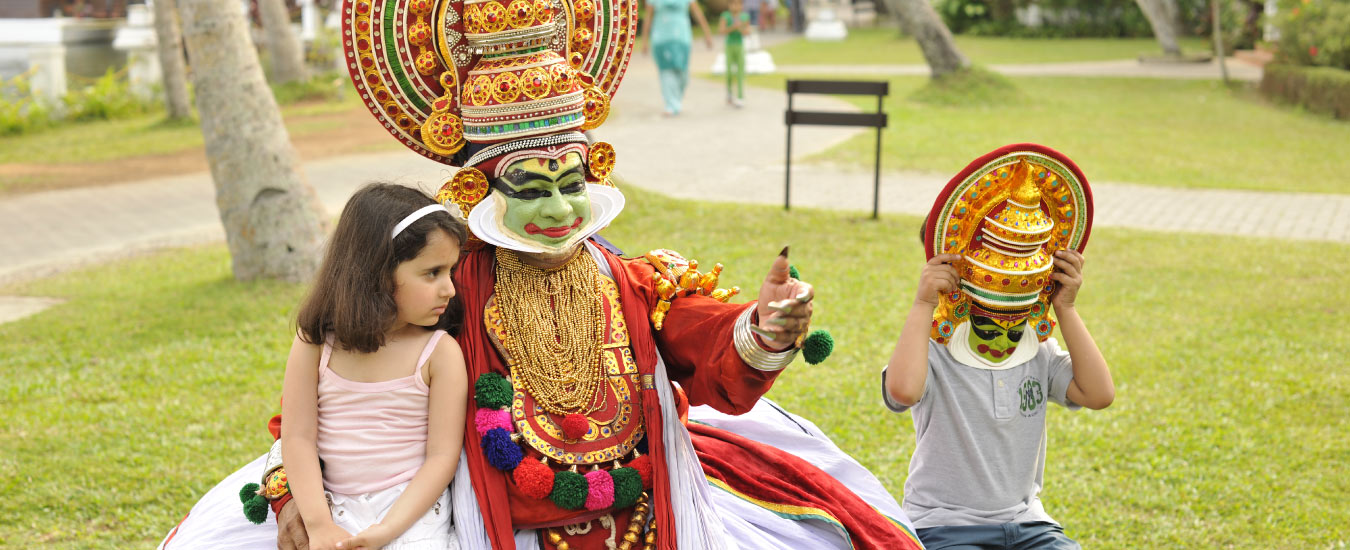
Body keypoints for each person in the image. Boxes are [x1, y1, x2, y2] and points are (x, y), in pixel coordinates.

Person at [159, 1, 925, 548]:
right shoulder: (451, 290)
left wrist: (765, 328)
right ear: (480, 189)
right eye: (532, 187)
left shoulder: (631, 279)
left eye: (572, 180)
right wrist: (295, 487)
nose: (561, 208)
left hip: (648, 519)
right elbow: (347, 388)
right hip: (499, 522)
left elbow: (704, 342)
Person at [881, 145, 1115, 550]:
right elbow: (902, 391)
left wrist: (1065, 307)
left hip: (1028, 523)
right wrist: (923, 304)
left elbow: (1099, 394)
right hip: (944, 527)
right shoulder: (933, 349)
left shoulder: (1037, 349)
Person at [280, 183, 470, 550]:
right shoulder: (314, 342)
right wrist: (319, 525)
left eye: (451, 271)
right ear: (378, 274)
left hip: (412, 512)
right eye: (432, 273)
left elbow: (442, 456)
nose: (449, 289)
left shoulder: (438, 353)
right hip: (330, 507)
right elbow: (298, 437)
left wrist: (388, 529)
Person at [640, 0, 714, 116]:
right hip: (661, 38)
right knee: (665, 71)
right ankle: (670, 104)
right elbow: (648, 17)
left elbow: (697, 12)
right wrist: (644, 41)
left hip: (682, 37)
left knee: (682, 71)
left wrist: (707, 34)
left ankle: (676, 100)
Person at [718, 0, 752, 108]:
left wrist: (740, 28)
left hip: (740, 45)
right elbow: (722, 31)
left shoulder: (744, 16)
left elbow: (747, 32)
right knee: (728, 72)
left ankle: (740, 96)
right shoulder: (725, 16)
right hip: (729, 45)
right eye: (733, 4)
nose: (735, 6)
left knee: (740, 72)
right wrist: (733, 27)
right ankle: (729, 94)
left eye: (738, 4)